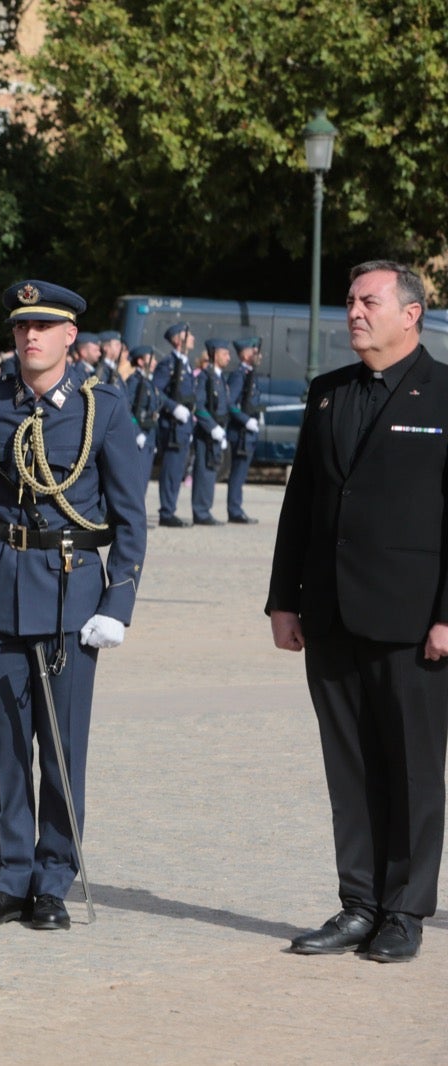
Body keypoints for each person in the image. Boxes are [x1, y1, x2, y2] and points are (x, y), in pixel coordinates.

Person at [0, 279, 147, 931]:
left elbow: (132, 519)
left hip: (68, 594)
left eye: (43, 327)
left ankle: (53, 878)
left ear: (69, 337)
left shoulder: (102, 409)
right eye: (21, 326)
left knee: (60, 749)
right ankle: (11, 876)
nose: (29, 336)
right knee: (5, 747)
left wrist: (119, 601)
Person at [267, 260, 448, 964]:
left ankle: (404, 910)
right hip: (332, 613)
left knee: (410, 767)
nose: (353, 312)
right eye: (348, 301)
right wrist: (284, 599)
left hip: (413, 620)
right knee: (349, 766)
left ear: (412, 313)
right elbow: (302, 507)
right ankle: (358, 903)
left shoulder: (442, 394)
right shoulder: (327, 394)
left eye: (368, 301)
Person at [153, 322, 197, 527]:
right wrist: (173, 408)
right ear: (178, 340)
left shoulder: (186, 364)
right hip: (172, 426)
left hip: (184, 426)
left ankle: (171, 508)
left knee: (178, 469)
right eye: (188, 335)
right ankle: (166, 511)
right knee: (171, 470)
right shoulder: (168, 364)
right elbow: (156, 392)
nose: (193, 338)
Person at [190, 338, 231, 525]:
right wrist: (212, 427)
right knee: (204, 471)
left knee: (211, 470)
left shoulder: (220, 377)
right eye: (224, 353)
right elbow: (198, 406)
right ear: (214, 355)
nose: (228, 357)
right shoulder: (205, 377)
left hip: (217, 429)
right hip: (207, 431)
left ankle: (205, 509)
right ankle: (201, 511)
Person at [224, 336, 264, 524]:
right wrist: (245, 420)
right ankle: (234, 510)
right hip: (240, 433)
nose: (259, 356)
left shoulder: (250, 375)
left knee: (242, 472)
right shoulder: (239, 375)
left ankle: (236, 507)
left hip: (248, 432)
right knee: (238, 472)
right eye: (256, 352)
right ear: (246, 354)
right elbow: (230, 403)